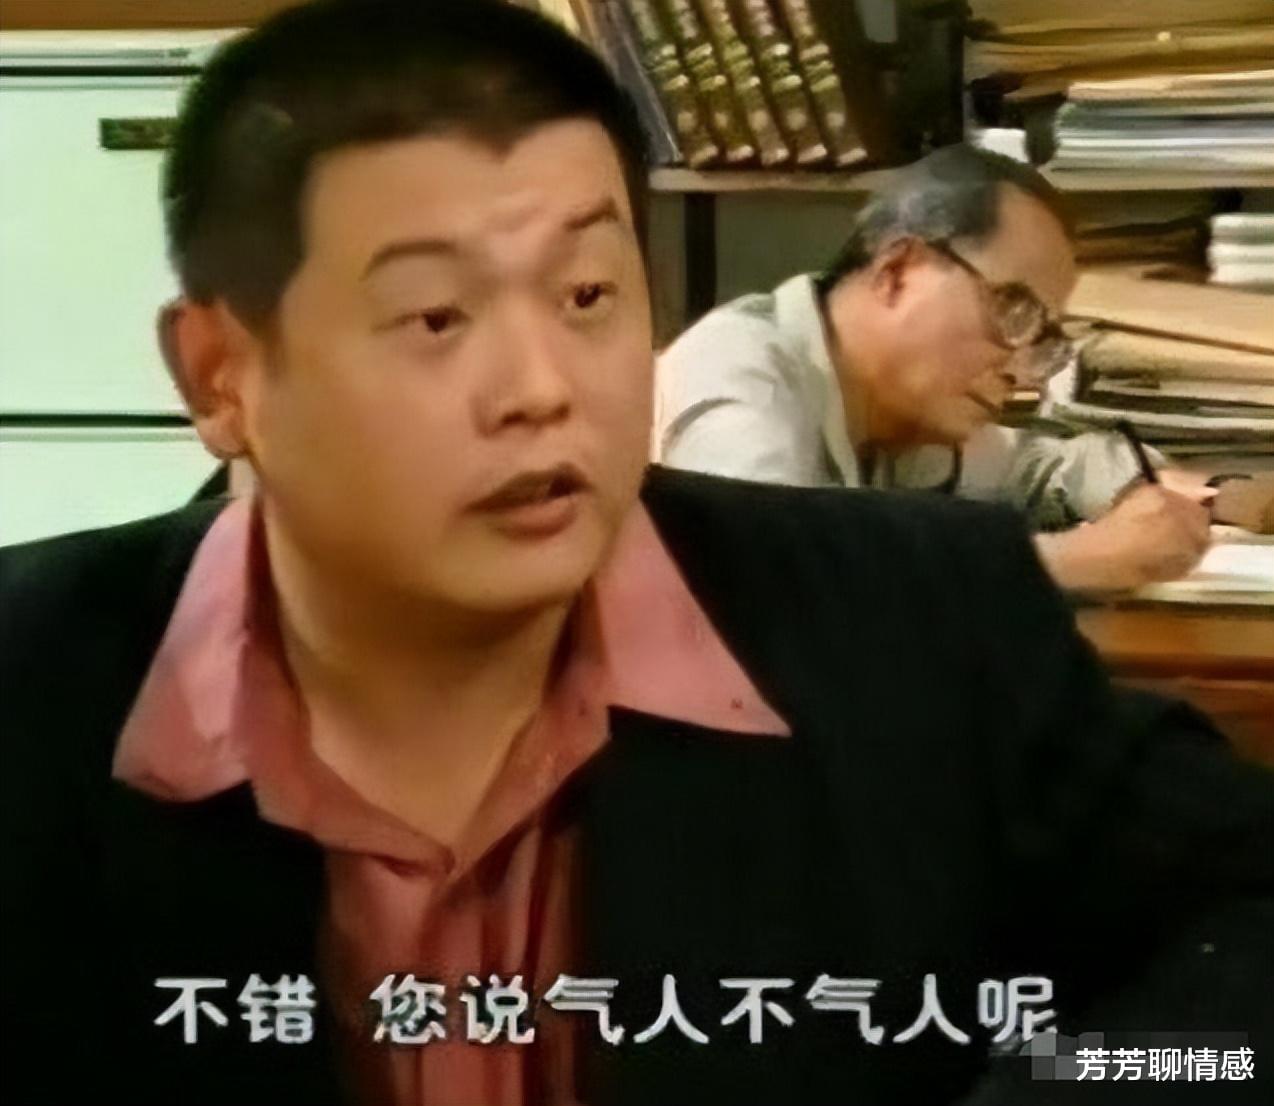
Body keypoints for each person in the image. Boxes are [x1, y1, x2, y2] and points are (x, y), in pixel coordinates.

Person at [2, 3, 1271, 1105]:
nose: (542, 386)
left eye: (588, 297)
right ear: (220, 374)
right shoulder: (30, 687)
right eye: (434, 316)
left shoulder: (925, 623)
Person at [654, 146, 1221, 593]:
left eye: (1043, 336)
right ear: (898, 272)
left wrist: (1162, 492)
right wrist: (1071, 561)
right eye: (1012, 310)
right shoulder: (741, 373)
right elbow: (774, 581)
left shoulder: (900, 416)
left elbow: (1036, 469)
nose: (1024, 372)